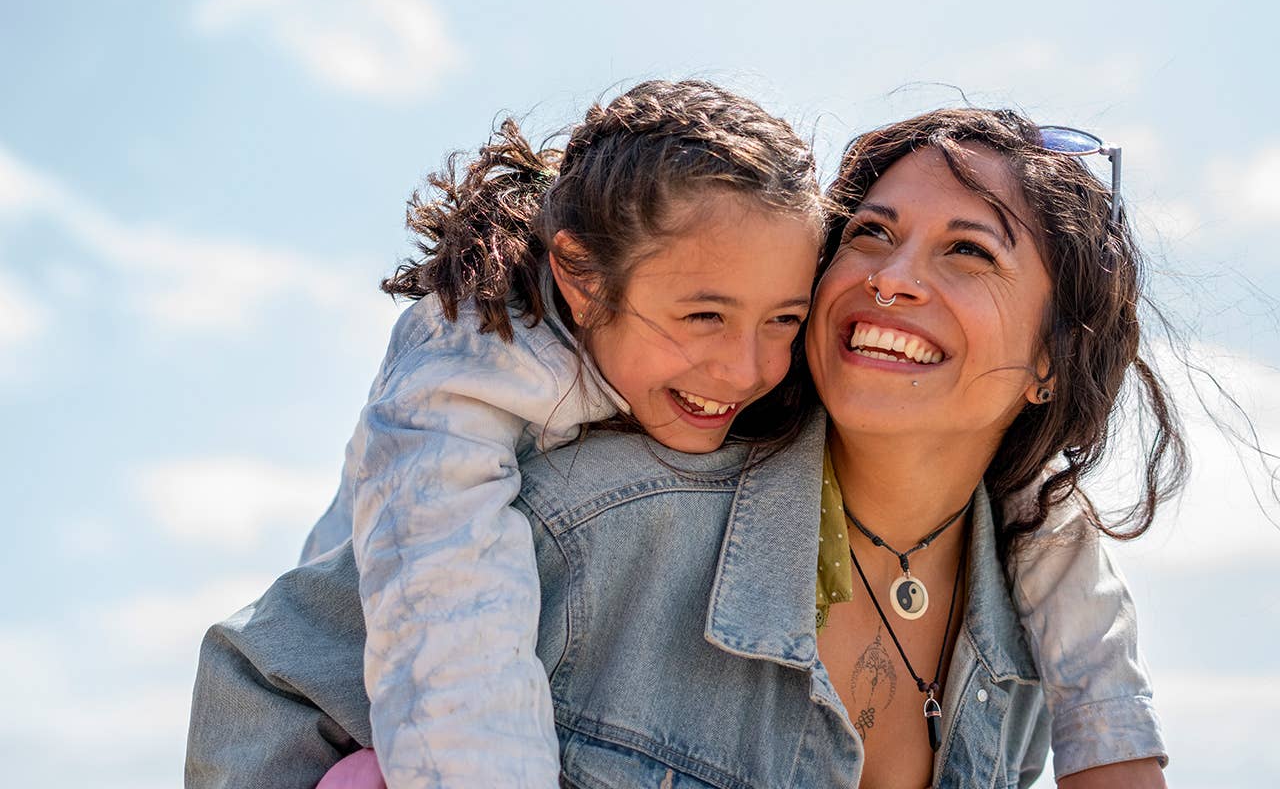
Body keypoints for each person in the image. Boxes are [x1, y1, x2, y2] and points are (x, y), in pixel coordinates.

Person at [186, 104, 1177, 788]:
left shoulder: (1021, 638)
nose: (892, 278)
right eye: (869, 235)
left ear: (1054, 357)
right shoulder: (592, 519)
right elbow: (265, 680)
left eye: (967, 249)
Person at [288, 79, 827, 789]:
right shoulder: (462, 371)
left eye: (784, 320)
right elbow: (454, 644)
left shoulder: (723, 363)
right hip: (339, 714)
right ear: (581, 277)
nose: (746, 367)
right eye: (703, 318)